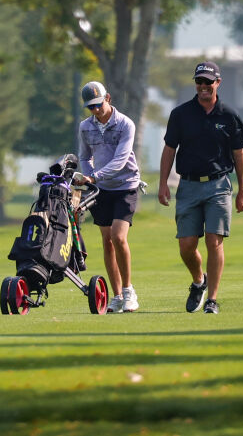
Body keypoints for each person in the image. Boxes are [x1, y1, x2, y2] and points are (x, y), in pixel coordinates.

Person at [158, 60, 243, 315]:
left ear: (217, 83)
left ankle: (212, 299)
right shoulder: (180, 114)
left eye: (208, 82)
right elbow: (169, 149)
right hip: (187, 185)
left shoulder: (229, 115)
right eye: (199, 82)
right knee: (186, 245)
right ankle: (199, 280)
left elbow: (239, 154)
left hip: (219, 185)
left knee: (214, 241)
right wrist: (163, 183)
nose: (203, 86)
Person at [77, 80, 143, 313]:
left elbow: (121, 159)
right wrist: (88, 177)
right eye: (90, 107)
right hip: (101, 190)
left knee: (118, 237)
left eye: (98, 104)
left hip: (125, 186)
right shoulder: (85, 127)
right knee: (107, 240)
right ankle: (116, 296)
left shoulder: (125, 124)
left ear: (108, 98)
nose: (96, 110)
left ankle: (128, 291)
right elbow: (84, 157)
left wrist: (94, 177)